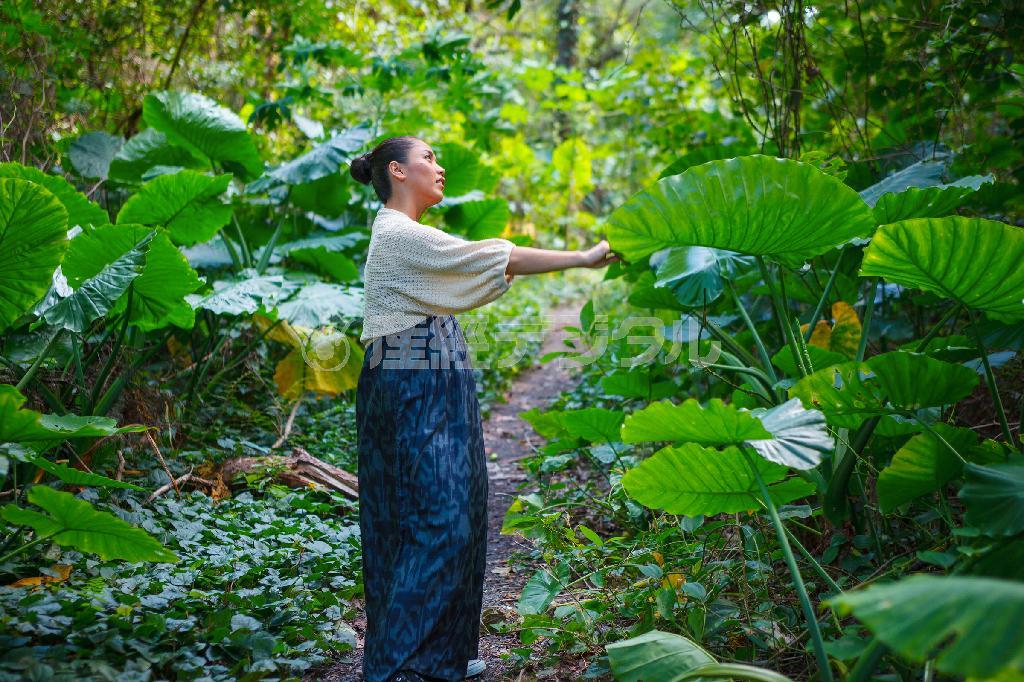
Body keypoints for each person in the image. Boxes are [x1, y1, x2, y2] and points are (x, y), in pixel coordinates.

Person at [350, 136, 619, 682]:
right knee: (435, 520)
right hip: (409, 378)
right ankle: (397, 667)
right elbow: (499, 256)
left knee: (462, 510)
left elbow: (471, 276)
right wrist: (584, 258)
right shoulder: (397, 232)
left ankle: (442, 657)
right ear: (397, 171)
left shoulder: (411, 233)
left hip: (434, 374)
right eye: (428, 158)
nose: (439, 167)